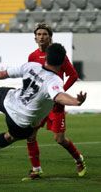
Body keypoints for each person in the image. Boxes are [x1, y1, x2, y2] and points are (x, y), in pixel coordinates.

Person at [0, 43, 87, 176]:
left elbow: (2, 74)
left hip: (10, 101)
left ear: (46, 58)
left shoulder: (32, 66)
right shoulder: (55, 81)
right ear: (62, 62)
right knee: (11, 136)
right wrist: (76, 101)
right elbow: (59, 96)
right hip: (23, 120)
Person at [23, 23, 85, 180]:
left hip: (55, 105)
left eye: (44, 34)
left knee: (59, 139)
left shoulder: (58, 55)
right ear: (35, 37)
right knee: (30, 135)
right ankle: (36, 169)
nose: (41, 37)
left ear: (50, 37)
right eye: (39, 34)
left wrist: (59, 91)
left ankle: (79, 160)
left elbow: (73, 75)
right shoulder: (32, 56)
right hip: (39, 103)